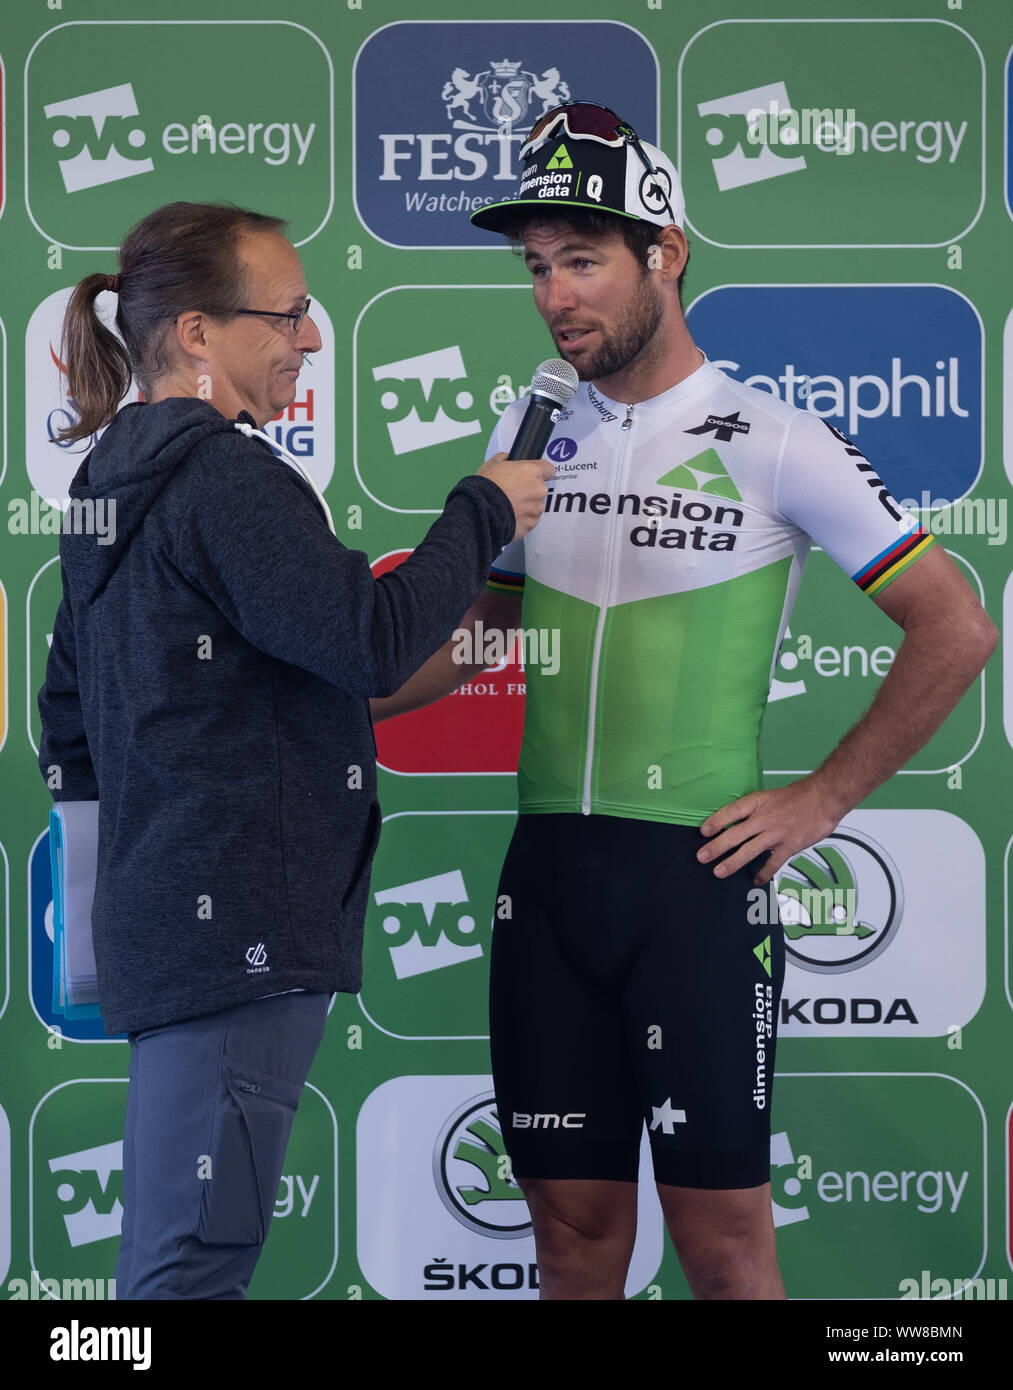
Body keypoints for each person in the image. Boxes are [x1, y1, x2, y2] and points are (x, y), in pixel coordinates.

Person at [370, 102, 999, 1300]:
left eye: (583, 260)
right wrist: (335, 724)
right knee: (568, 1236)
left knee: (721, 1247)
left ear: (665, 251)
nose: (555, 295)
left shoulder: (775, 439)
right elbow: (482, 632)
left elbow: (955, 626)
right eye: (536, 265)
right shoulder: (531, 427)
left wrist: (821, 798)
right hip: (549, 876)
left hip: (694, 886)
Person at [36, 200, 551, 1300]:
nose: (310, 338)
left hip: (174, 930)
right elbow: (364, 640)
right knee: (195, 1263)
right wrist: (481, 508)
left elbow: (88, 713)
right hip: (240, 940)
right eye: (289, 315)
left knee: (182, 1248)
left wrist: (481, 637)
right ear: (196, 335)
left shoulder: (105, 485)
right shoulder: (227, 476)